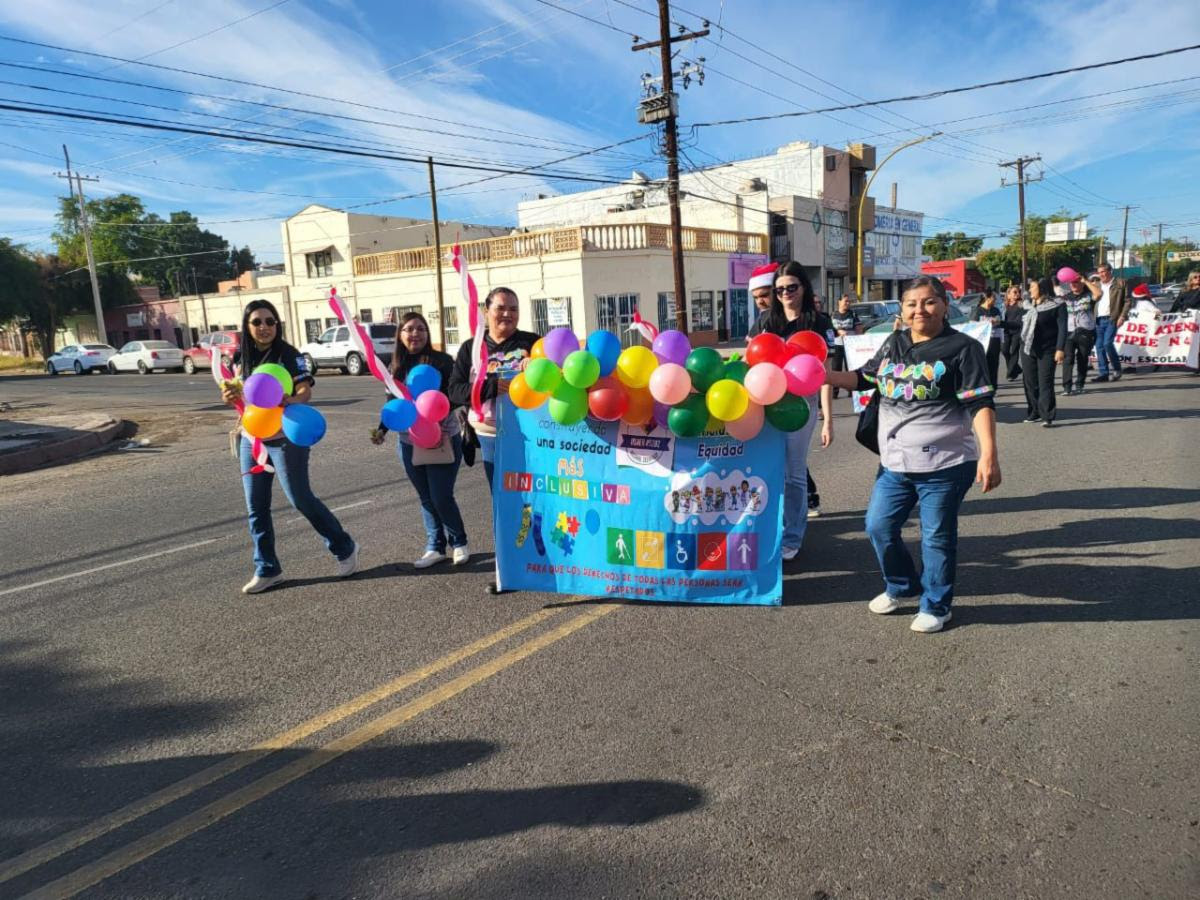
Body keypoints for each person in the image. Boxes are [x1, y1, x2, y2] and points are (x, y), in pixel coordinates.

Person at [825, 276, 1000, 633]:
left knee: (937, 536)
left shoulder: (963, 348)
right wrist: (823, 376)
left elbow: (980, 403)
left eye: (929, 302)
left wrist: (989, 454)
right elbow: (865, 378)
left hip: (946, 465)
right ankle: (902, 585)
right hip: (895, 464)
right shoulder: (894, 342)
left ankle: (937, 604)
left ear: (944, 306)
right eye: (911, 303)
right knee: (878, 526)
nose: (920, 309)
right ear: (902, 310)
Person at [221, 299, 357, 594]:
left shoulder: (288, 354)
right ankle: (267, 568)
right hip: (252, 438)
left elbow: (304, 390)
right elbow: (244, 398)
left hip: (285, 437)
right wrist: (231, 396)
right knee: (256, 507)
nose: (264, 327)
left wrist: (287, 401)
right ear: (247, 326)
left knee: (300, 498)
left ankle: (343, 546)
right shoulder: (239, 358)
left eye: (270, 321)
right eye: (257, 322)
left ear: (277, 325)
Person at [446, 287, 539, 593]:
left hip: (529, 436)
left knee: (535, 499)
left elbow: (558, 375)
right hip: (490, 437)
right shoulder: (472, 348)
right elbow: (455, 391)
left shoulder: (531, 342)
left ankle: (542, 561)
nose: (508, 314)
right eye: (501, 308)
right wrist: (490, 386)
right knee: (503, 503)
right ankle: (508, 571)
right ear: (486, 311)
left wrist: (537, 367)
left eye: (513, 308)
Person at [748, 261, 833, 555]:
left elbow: (825, 376)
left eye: (792, 287)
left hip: (802, 405)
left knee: (794, 474)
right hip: (766, 403)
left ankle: (792, 538)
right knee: (766, 469)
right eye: (780, 288)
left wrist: (827, 420)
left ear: (803, 288)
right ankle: (767, 529)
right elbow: (749, 365)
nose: (785, 293)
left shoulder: (819, 323)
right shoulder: (764, 323)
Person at [372, 312, 469, 569]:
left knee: (441, 495)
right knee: (426, 497)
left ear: (427, 333)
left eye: (420, 329)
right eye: (409, 329)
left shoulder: (443, 362)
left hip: (443, 437)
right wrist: (382, 430)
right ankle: (435, 546)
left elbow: (458, 395)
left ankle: (459, 542)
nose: (415, 334)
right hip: (409, 442)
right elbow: (393, 405)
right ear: (400, 335)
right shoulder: (395, 368)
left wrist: (437, 414)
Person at [1020, 277, 1067, 427]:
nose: (1029, 290)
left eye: (1032, 287)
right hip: (1028, 348)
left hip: (1048, 349)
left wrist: (1060, 349)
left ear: (1042, 288)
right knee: (1030, 383)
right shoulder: (1028, 305)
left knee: (1045, 382)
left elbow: (1062, 328)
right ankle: (1034, 412)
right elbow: (1019, 324)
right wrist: (999, 323)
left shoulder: (1057, 305)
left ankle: (1047, 415)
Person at [1060, 273, 1100, 395]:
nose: (1073, 284)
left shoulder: (1088, 296)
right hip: (1069, 331)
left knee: (1082, 359)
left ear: (1082, 283)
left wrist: (1085, 280)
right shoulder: (1066, 297)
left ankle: (1080, 384)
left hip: (1085, 331)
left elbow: (1098, 294)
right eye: (1072, 282)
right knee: (1068, 359)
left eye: (1076, 282)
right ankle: (1067, 387)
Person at [1092, 262, 1128, 383]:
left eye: (1103, 271)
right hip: (1098, 319)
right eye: (1099, 272)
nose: (1101, 274)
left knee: (1107, 343)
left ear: (1109, 271)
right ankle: (1103, 373)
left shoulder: (1120, 283)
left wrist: (1122, 316)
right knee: (1099, 346)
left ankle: (1117, 369)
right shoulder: (1096, 285)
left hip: (1112, 318)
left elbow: (1127, 301)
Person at [829, 293, 863, 399]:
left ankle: (851, 391)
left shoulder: (852, 314)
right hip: (837, 345)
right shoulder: (833, 314)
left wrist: (858, 338)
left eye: (849, 301)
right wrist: (838, 332)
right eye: (845, 301)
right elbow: (830, 329)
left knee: (851, 368)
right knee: (836, 368)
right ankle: (835, 392)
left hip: (850, 346)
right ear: (839, 302)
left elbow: (859, 328)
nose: (847, 303)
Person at [969, 288, 1003, 387]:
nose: (995, 300)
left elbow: (999, 322)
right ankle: (983, 386)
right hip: (981, 343)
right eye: (993, 297)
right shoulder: (977, 311)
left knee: (994, 364)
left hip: (994, 341)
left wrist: (996, 321)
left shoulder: (995, 310)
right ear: (987, 298)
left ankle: (993, 385)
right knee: (983, 365)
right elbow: (972, 327)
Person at [1000, 284, 1025, 381]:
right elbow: (1001, 318)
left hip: (1017, 331)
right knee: (1005, 350)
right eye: (1015, 292)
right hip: (1006, 331)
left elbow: (1019, 322)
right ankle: (1017, 369)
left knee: (1013, 351)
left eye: (1018, 292)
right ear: (1008, 294)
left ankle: (1010, 373)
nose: (1017, 294)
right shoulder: (1004, 305)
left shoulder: (1021, 304)